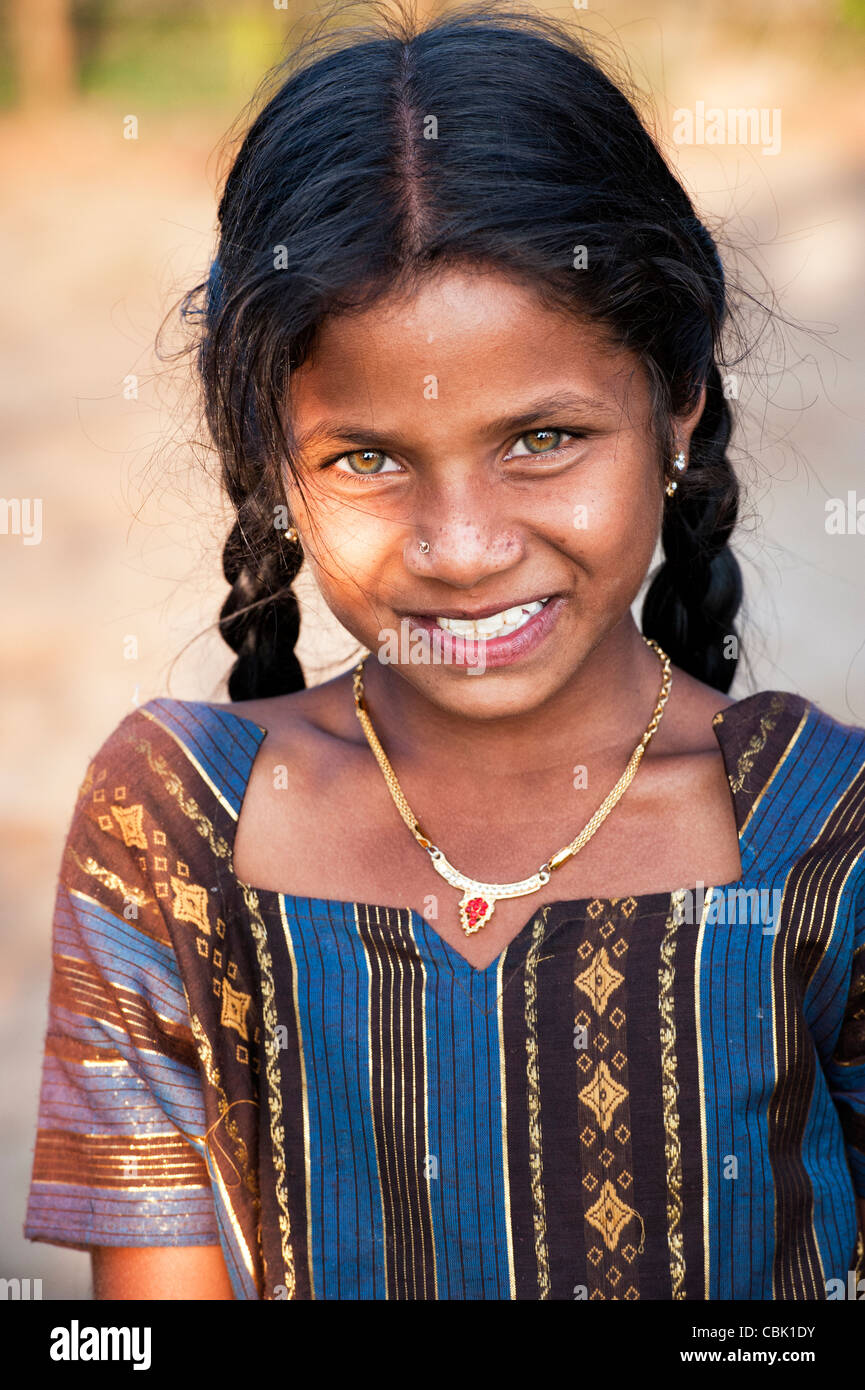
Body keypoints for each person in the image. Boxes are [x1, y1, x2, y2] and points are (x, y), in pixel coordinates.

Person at [24, 4, 865, 1301]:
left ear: (678, 403)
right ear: (271, 469)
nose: (461, 548)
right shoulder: (177, 825)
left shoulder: (832, 832)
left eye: (543, 437)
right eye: (366, 458)